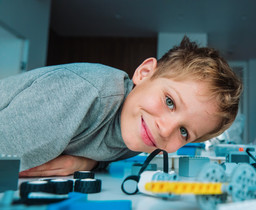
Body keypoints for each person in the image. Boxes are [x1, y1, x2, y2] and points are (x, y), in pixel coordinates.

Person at [0, 36, 242, 177]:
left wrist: (89, 162)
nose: (166, 130)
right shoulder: (87, 93)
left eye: (184, 132)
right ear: (144, 73)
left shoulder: (139, 131)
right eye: (169, 101)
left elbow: (106, 146)